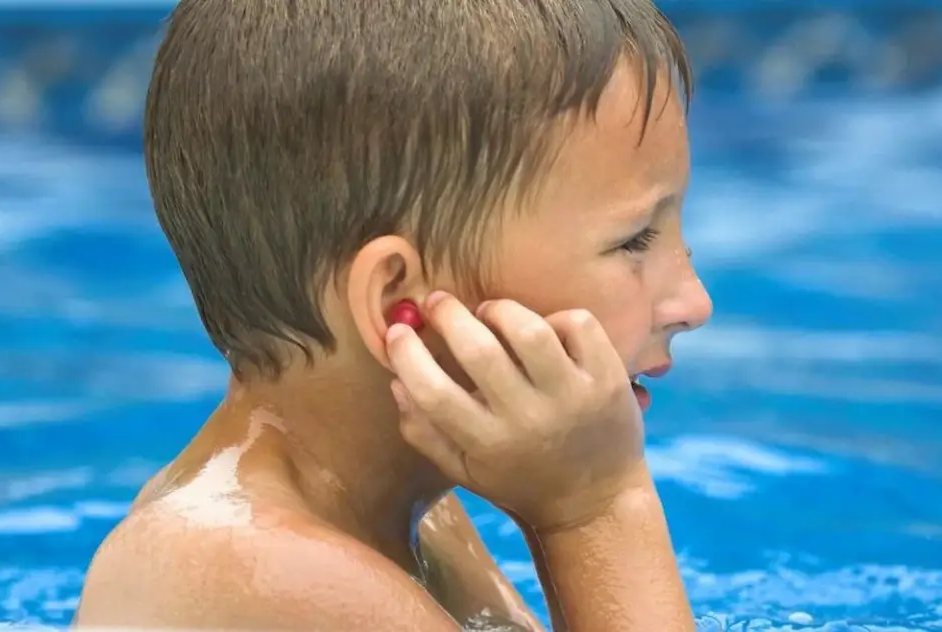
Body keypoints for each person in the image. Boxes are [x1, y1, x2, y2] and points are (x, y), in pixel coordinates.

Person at [73, 0, 713, 629]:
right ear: (396, 304)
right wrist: (593, 512)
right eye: (632, 241)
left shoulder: (409, 512)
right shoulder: (258, 568)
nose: (693, 303)